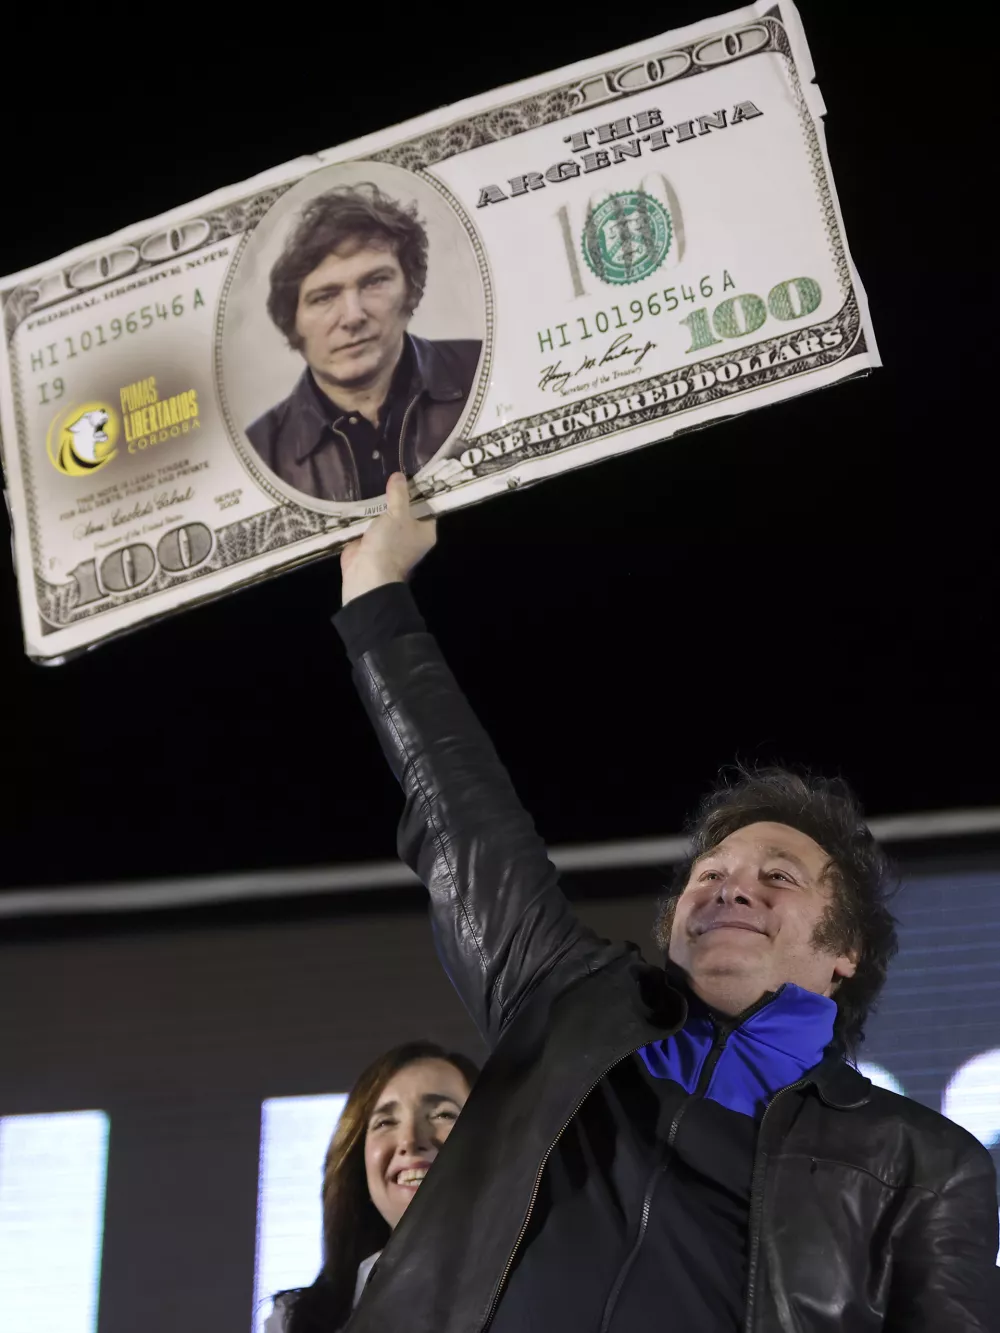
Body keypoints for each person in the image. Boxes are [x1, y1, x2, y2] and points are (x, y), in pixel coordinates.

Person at [329, 474, 999, 1332]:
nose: (731, 887)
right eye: (710, 874)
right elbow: (465, 824)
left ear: (845, 952)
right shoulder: (563, 1011)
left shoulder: (924, 1161)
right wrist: (378, 598)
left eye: (778, 877)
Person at [246, 184, 481, 503]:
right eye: (324, 297)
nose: (353, 316)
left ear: (411, 290)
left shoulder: (485, 367)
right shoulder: (260, 452)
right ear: (293, 321)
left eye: (374, 282)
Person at [265, 1040, 479, 1333]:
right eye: (385, 1122)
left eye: (443, 1114)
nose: (409, 1140)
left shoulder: (541, 1287)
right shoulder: (293, 1321)